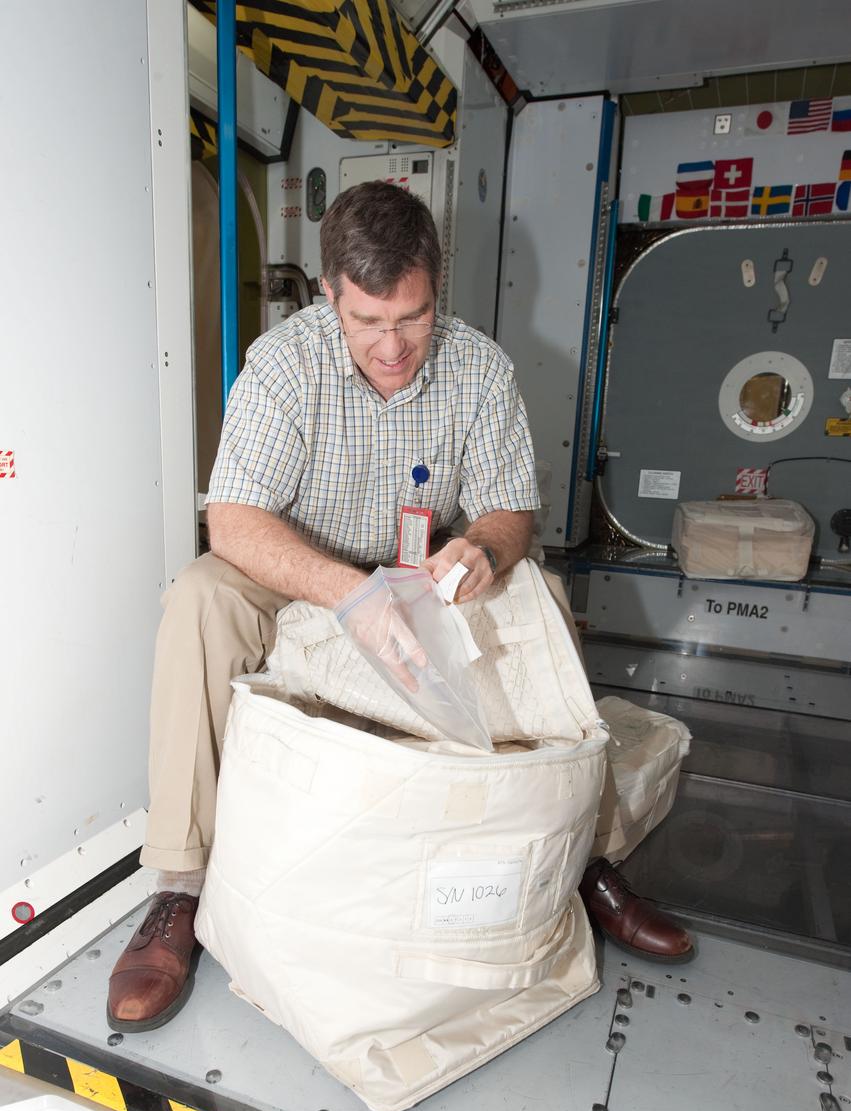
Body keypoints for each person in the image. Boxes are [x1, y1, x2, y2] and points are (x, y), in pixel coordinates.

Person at [107, 181, 690, 1034]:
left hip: (424, 566)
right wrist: (350, 594)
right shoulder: (282, 364)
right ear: (328, 295)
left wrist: (482, 550)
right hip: (306, 566)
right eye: (367, 322)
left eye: (412, 319)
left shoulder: (479, 367)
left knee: (544, 597)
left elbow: (508, 513)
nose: (391, 347)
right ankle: (180, 888)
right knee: (199, 599)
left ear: (435, 287)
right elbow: (232, 519)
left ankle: (580, 859)